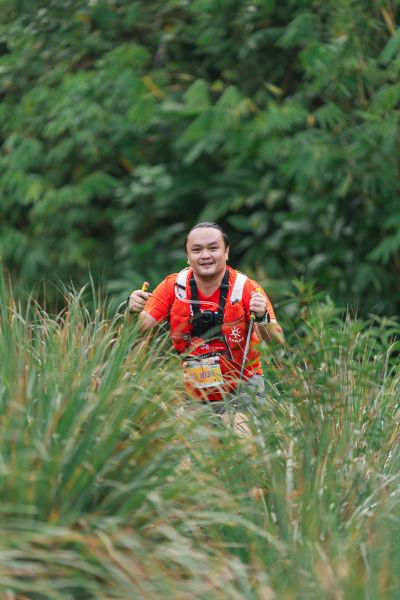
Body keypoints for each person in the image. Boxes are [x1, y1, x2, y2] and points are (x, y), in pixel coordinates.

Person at [128, 222, 283, 416]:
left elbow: (276, 340)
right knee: (188, 434)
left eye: (213, 248)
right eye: (196, 250)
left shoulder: (246, 288)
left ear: (226, 252)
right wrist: (132, 311)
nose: (205, 255)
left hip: (243, 383)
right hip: (193, 388)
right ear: (187, 256)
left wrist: (261, 317)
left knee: (239, 429)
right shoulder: (174, 287)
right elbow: (139, 329)